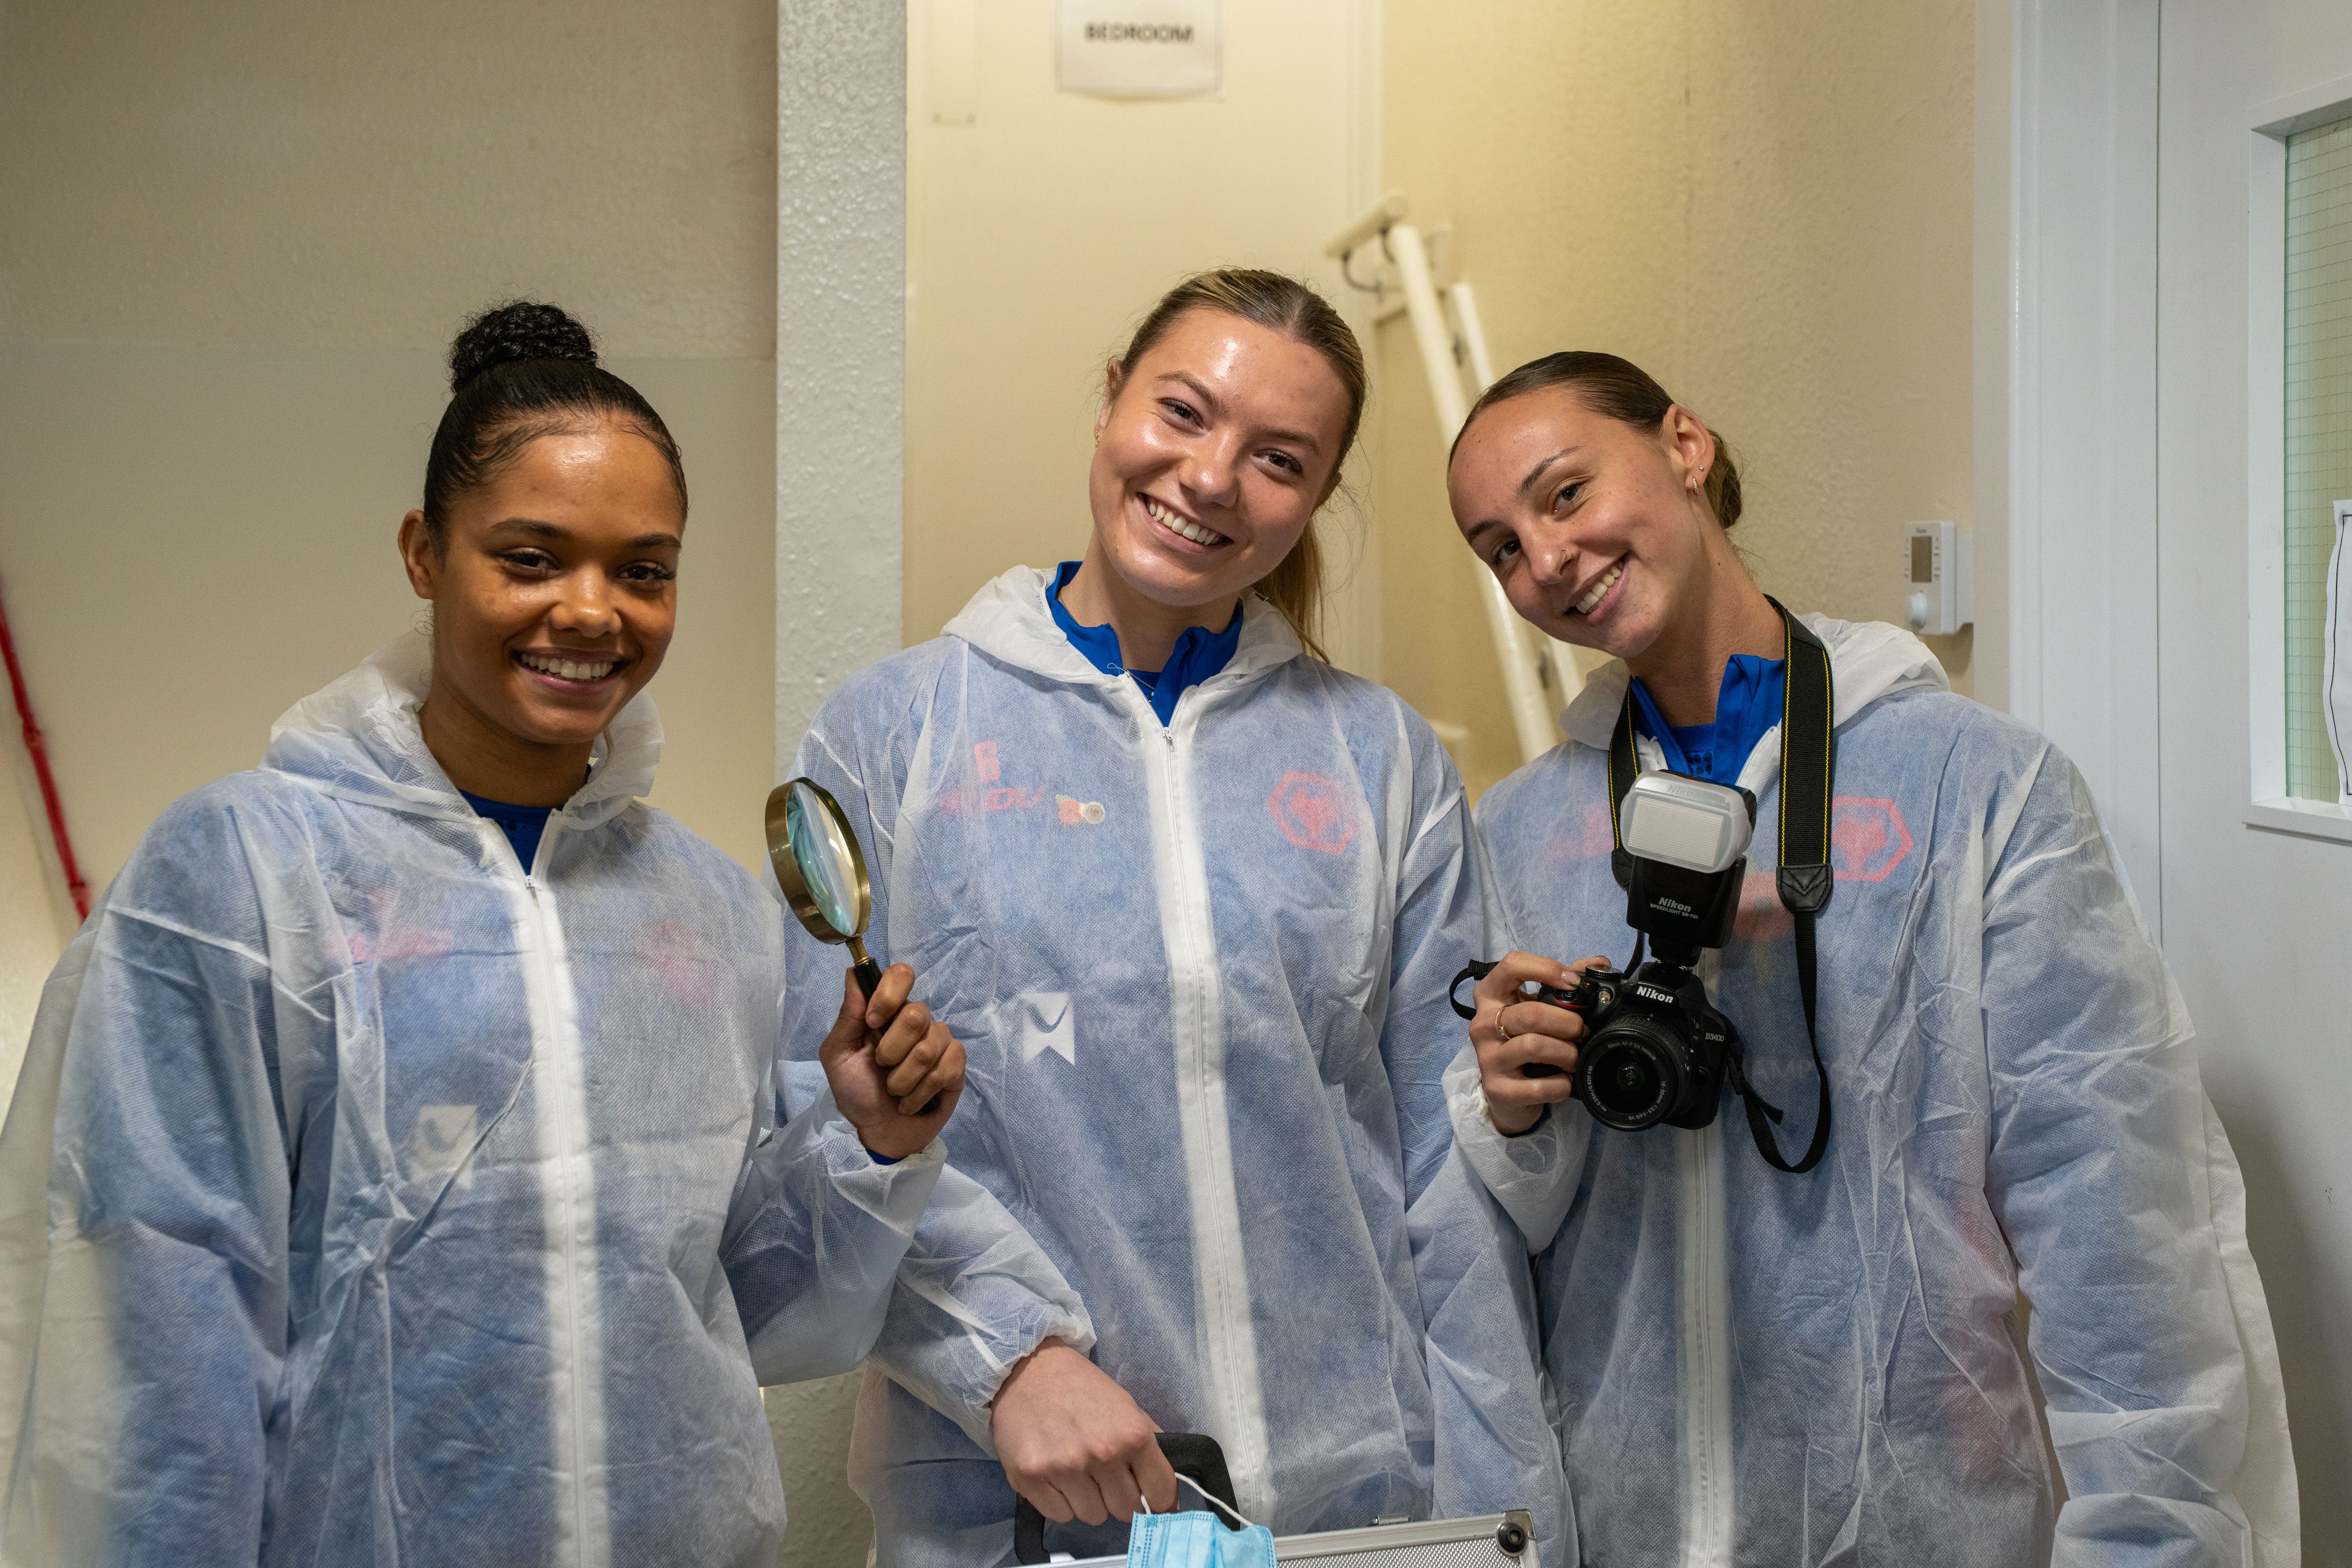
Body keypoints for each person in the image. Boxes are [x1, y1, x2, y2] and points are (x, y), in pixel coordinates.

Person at [0, 302, 980, 1567]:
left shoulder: (706, 908)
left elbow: (727, 1306)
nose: (592, 611)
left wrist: (865, 1142)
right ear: (425, 552)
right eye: (530, 556)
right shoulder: (241, 877)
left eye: (644, 568)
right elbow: (147, 1333)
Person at [1444, 351, 2298, 1566]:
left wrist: (2148, 1538)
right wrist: (1510, 1107)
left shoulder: (1977, 786)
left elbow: (2117, 1227)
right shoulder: (1527, 824)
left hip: (1913, 1515)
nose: (1543, 561)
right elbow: (1492, 1240)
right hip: (1619, 1510)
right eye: (1499, 547)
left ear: (1684, 446)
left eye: (1564, 493)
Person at [781, 270, 1563, 1565]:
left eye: (1277, 459)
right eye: (1183, 413)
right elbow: (816, 1122)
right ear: (1109, 403)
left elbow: (1449, 1170)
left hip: (1349, 1505)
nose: (1210, 478)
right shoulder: (897, 733)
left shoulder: (1378, 758)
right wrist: (1006, 1359)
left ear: (1314, 499)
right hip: (1025, 1499)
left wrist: (1497, 1519)